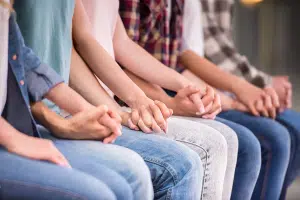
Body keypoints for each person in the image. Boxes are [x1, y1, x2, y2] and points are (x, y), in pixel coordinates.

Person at [14, 0, 205, 199]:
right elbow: (21, 61)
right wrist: (130, 103)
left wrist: (113, 110)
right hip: (31, 117)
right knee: (166, 167)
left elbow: (70, 47)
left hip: (77, 105)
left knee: (205, 150)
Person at [118, 0, 267, 199]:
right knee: (215, 147)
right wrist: (167, 100)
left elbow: (183, 57)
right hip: (131, 93)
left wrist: (200, 91)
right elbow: (117, 59)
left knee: (240, 140)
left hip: (164, 89)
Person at [0, 1, 150, 199]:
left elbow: (20, 55)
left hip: (38, 121)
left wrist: (89, 111)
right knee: (100, 192)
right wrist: (17, 138)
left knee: (129, 178)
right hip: (25, 122)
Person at [200, 0, 300, 199]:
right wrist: (261, 84)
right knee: (272, 139)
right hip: (198, 85)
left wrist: (257, 88)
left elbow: (222, 47)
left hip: (209, 85)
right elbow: (194, 56)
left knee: (295, 128)